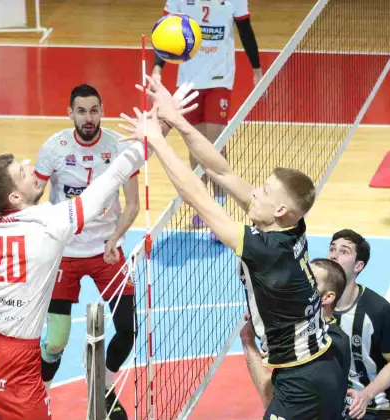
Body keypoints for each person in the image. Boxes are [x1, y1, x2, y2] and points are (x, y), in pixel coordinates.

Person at [0, 85, 198, 420]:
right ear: (14, 197)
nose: (31, 167)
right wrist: (162, 126)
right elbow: (115, 174)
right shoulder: (54, 222)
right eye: (22, 171)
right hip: (16, 364)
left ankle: (101, 386)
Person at [119, 75, 345, 420]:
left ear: (280, 210)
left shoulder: (267, 251)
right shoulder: (291, 226)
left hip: (304, 379)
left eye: (264, 192)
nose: (255, 192)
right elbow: (220, 172)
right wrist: (176, 119)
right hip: (320, 361)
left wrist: (157, 142)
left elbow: (196, 196)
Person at [34, 84, 141, 419]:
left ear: (102, 110)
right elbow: (32, 201)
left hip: (107, 250)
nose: (88, 118)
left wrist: (115, 238)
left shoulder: (119, 146)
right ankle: (41, 396)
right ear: (70, 113)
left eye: (94, 110)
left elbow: (132, 204)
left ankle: (104, 385)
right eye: (81, 111)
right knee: (55, 341)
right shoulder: (53, 149)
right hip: (64, 252)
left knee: (128, 330)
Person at [153, 0, 263, 230]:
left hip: (220, 78)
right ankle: (203, 206)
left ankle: (220, 205)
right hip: (188, 80)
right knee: (194, 142)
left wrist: (257, 69)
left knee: (215, 142)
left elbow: (245, 29)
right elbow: (165, 30)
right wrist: (157, 68)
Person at [240, 258, 351, 410]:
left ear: (327, 297)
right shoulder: (311, 337)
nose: (301, 286)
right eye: (302, 278)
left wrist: (247, 341)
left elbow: (272, 402)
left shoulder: (323, 348)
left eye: (311, 282)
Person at [327, 230, 390, 420]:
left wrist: (366, 394)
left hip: (371, 406)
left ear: (358, 265)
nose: (334, 255)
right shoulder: (313, 303)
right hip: (329, 403)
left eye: (344, 251)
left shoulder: (378, 311)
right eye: (332, 249)